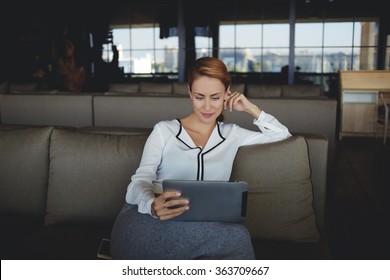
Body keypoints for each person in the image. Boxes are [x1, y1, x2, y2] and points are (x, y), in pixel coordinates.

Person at [110, 56, 292, 260]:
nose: (207, 107)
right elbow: (140, 180)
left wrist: (250, 108)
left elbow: (283, 137)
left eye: (215, 97)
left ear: (227, 93)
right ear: (189, 93)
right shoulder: (164, 130)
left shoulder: (233, 134)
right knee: (236, 238)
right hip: (147, 221)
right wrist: (152, 205)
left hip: (203, 229)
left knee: (231, 240)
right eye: (199, 97)